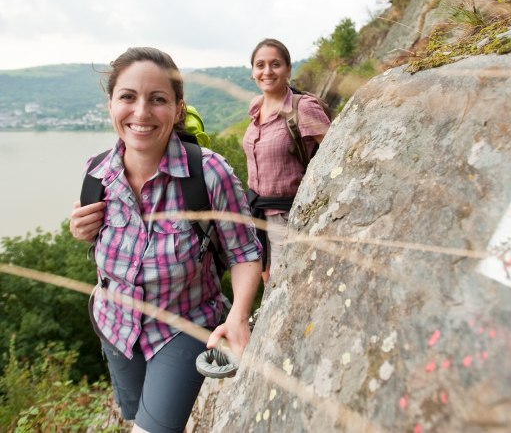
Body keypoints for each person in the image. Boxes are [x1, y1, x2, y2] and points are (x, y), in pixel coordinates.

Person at [69, 47, 262, 433]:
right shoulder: (96, 173)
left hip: (185, 326)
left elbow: (244, 252)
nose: (141, 113)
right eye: (128, 97)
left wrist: (239, 316)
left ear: (177, 109)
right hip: (116, 328)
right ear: (110, 104)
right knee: (134, 414)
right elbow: (101, 242)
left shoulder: (208, 174)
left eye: (157, 99)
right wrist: (81, 230)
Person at [243, 38, 331, 284]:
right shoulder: (255, 106)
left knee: (284, 284)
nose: (267, 71)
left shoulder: (303, 108)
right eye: (260, 65)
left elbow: (335, 155)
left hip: (289, 216)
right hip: (257, 214)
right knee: (267, 279)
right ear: (252, 72)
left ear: (289, 69)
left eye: (275, 64)